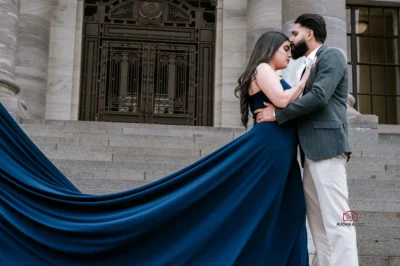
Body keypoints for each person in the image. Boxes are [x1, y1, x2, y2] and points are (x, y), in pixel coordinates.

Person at [0, 31, 310, 265]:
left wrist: (285, 105)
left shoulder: (275, 73)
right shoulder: (264, 69)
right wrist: (305, 80)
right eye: (285, 48)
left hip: (278, 148)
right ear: (269, 48)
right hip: (269, 149)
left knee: (284, 205)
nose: (288, 53)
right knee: (261, 206)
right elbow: (283, 101)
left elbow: (282, 107)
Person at [255, 14, 359, 266]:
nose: (291, 40)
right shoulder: (306, 65)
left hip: (328, 148)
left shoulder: (332, 55)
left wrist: (278, 113)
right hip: (310, 152)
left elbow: (321, 96)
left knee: (339, 219)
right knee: (318, 225)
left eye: (295, 33)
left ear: (309, 34)